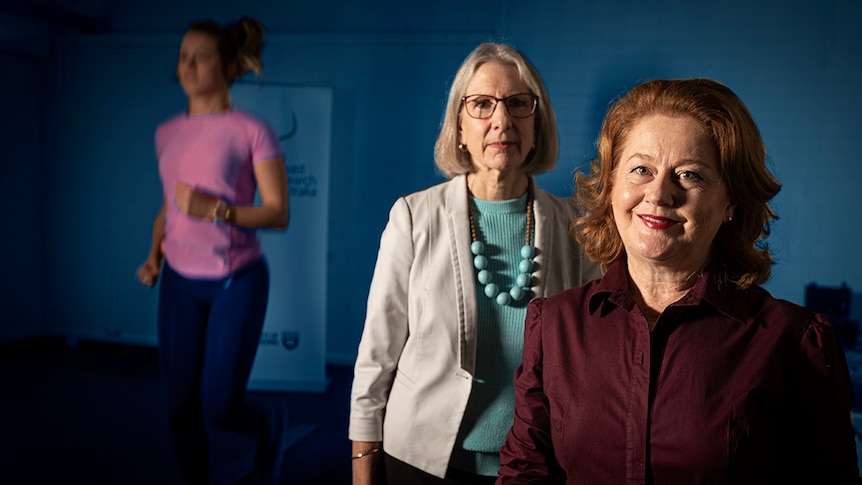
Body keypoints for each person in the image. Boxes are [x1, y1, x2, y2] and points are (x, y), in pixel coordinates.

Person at [497, 78, 860, 484]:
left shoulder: (795, 343)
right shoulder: (554, 326)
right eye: (641, 169)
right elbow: (525, 473)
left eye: (689, 175)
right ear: (612, 186)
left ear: (731, 203)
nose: (659, 194)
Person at [349, 42, 601, 485]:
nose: (501, 120)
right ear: (459, 128)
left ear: (537, 125)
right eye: (482, 104)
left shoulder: (574, 227)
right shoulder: (413, 216)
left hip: (534, 463)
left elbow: (591, 356)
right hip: (420, 461)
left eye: (518, 104)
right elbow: (378, 351)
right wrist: (363, 459)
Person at [136, 17, 290, 485]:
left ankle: (269, 424)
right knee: (180, 406)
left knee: (220, 407)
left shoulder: (251, 130)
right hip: (179, 284)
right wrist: (153, 255)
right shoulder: (165, 133)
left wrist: (216, 210)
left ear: (227, 66)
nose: (188, 64)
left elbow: (278, 212)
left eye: (201, 56)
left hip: (236, 281)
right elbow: (168, 207)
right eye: (183, 55)